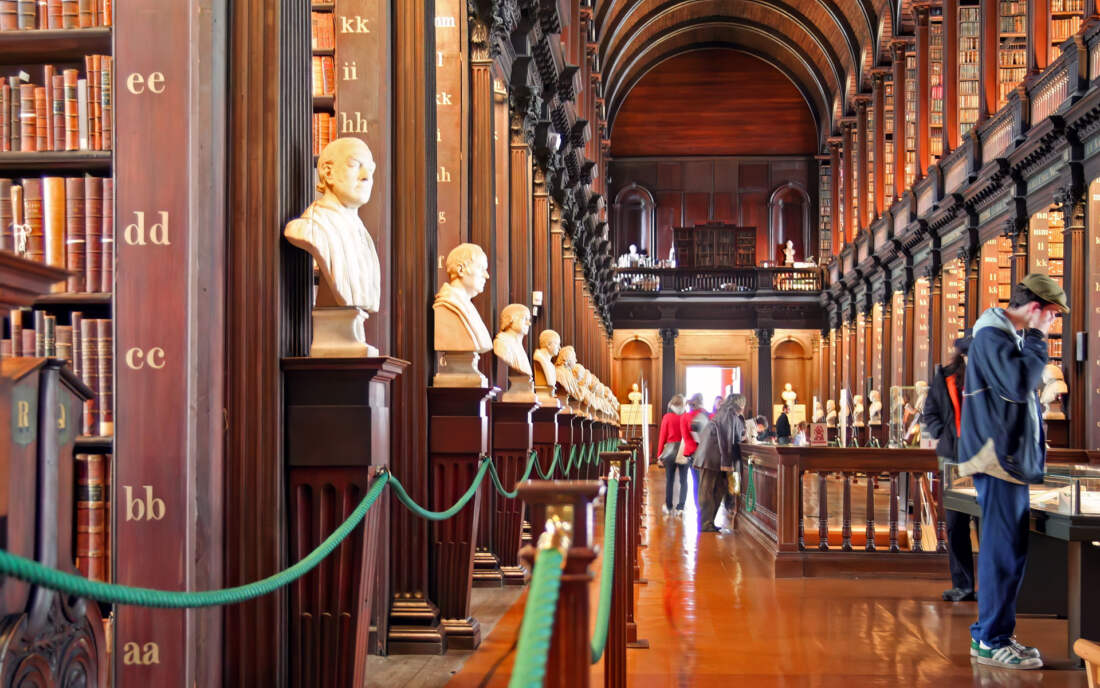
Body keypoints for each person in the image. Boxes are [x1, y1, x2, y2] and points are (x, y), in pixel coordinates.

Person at [957, 274, 1068, 670]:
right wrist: (1038, 339)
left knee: (1009, 548)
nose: (1053, 324)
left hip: (1005, 455)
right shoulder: (993, 336)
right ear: (1036, 308)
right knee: (1003, 550)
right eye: (1052, 315)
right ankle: (990, 639)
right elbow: (1019, 384)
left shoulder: (1002, 335)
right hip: (998, 457)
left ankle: (994, 633)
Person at [922, 333, 975, 603]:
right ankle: (962, 584)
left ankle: (989, 586)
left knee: (988, 525)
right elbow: (929, 411)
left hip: (985, 459)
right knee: (956, 524)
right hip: (953, 460)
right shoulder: (945, 377)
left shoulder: (991, 377)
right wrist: (944, 434)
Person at [694, 395, 745, 532]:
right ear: (739, 404)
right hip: (712, 455)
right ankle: (705, 523)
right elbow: (726, 438)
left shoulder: (727, 413)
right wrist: (727, 463)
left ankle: (708, 522)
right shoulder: (728, 413)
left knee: (719, 488)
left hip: (715, 455)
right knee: (707, 489)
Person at [657, 395, 686, 516]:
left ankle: (669, 506)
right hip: (684, 450)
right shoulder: (686, 417)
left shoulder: (667, 417)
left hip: (670, 450)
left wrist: (659, 455)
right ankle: (681, 507)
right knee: (684, 481)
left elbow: (662, 436)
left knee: (670, 480)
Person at [679, 393, 707, 513]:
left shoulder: (684, 416)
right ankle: (702, 507)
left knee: (696, 481)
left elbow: (685, 435)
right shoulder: (703, 414)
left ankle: (698, 507)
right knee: (704, 482)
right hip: (702, 452)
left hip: (690, 452)